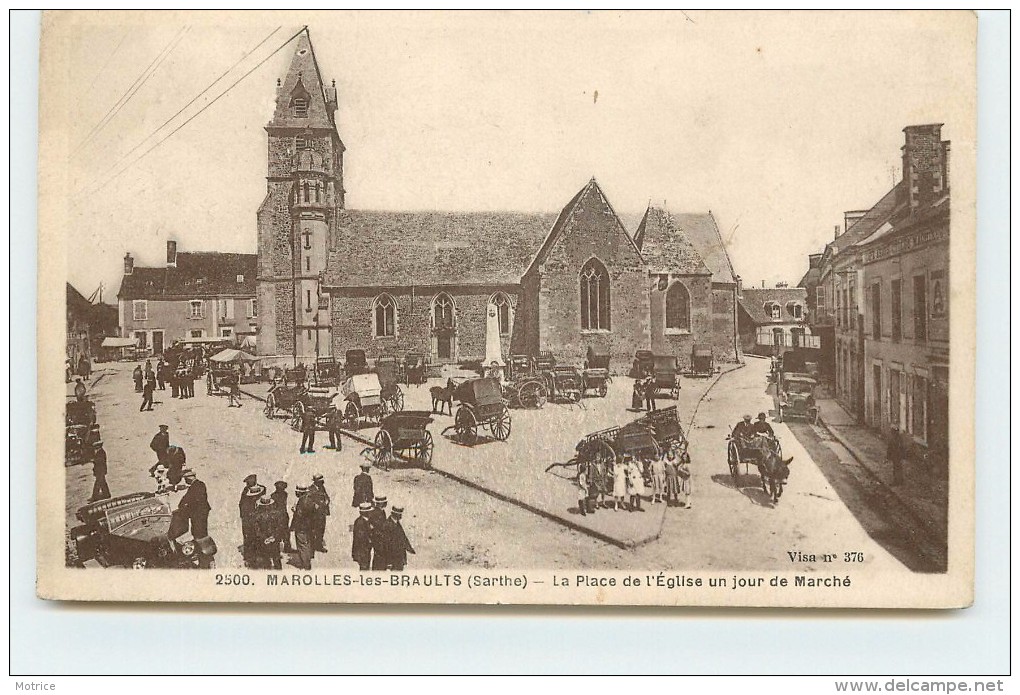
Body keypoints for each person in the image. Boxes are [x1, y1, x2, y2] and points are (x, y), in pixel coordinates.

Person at [177, 469, 211, 539]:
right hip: (197, 512)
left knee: (200, 530)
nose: (185, 481)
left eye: (185, 479)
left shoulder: (198, 485)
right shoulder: (195, 485)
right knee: (197, 530)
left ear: (189, 478)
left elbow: (194, 499)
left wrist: (185, 506)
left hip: (199, 512)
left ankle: (201, 544)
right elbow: (186, 498)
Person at [253, 495, 282, 570]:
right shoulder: (276, 513)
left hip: (263, 540)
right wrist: (274, 537)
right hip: (274, 539)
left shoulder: (257, 515)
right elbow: (279, 527)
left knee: (266, 558)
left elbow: (257, 530)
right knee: (276, 557)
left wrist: (264, 539)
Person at [290, 485, 315, 570]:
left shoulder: (302, 501)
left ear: (300, 492)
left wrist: (294, 510)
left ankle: (306, 564)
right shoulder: (309, 499)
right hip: (309, 525)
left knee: (302, 545)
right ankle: (307, 561)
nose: (295, 493)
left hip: (301, 527)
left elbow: (299, 515)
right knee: (307, 543)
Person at [383, 506, 415, 571]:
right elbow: (386, 545)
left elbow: (403, 537)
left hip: (399, 557)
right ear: (394, 514)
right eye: (399, 514)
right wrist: (389, 562)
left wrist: (409, 548)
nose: (401, 516)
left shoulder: (396, 523)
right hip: (393, 559)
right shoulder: (387, 524)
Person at [239, 475, 261, 566]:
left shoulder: (246, 493)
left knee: (249, 538)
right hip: (255, 520)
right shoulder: (261, 490)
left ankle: (249, 557)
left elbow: (241, 505)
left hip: (248, 520)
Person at [351, 502, 374, 571]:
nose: (371, 513)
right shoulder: (359, 522)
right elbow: (361, 537)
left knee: (366, 565)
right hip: (361, 551)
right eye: (369, 512)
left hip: (366, 550)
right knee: (364, 567)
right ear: (365, 513)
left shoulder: (367, 521)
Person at [271, 481, 293, 553]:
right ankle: (286, 548)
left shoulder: (274, 495)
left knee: (283, 532)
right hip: (281, 515)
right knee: (284, 532)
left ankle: (282, 548)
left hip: (281, 515)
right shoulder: (283, 494)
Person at [310, 474, 330, 553]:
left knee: (321, 529)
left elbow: (326, 496)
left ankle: (319, 545)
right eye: (320, 481)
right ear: (315, 481)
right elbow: (309, 501)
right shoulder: (311, 489)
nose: (322, 482)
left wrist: (327, 501)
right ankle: (312, 546)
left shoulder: (322, 488)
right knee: (314, 529)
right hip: (315, 514)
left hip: (322, 513)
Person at [369, 496, 389, 570]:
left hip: (379, 539)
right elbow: (375, 527)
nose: (386, 504)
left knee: (380, 557)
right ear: (381, 504)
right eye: (385, 502)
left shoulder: (380, 511)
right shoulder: (377, 513)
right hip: (378, 539)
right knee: (380, 557)